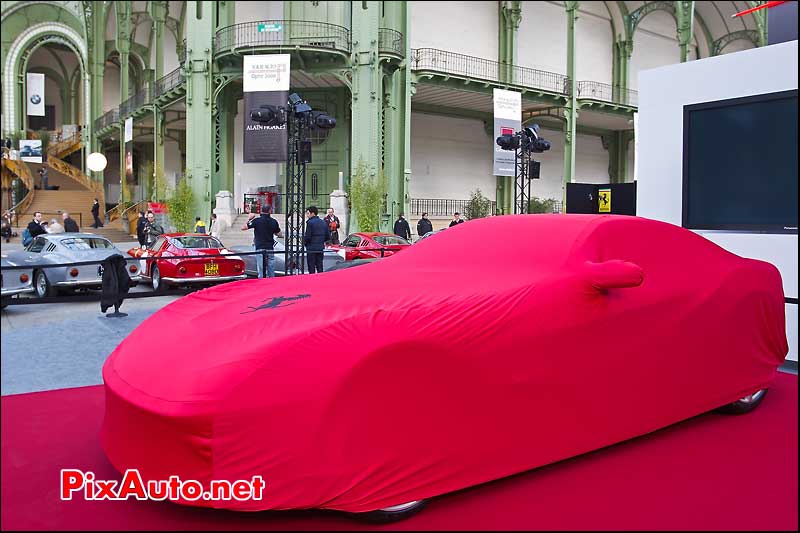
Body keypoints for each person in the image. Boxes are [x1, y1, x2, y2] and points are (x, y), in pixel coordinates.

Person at [241, 204, 282, 278]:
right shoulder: (274, 221)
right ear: (269, 211)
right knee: (271, 267)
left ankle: (261, 281)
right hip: (270, 247)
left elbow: (243, 228)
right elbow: (279, 234)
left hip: (259, 246)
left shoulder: (257, 221)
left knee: (260, 267)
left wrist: (249, 219)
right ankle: (271, 281)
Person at [303, 206, 328, 274]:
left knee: (311, 266)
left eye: (308, 213)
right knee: (319, 266)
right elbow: (327, 236)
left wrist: (305, 243)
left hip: (311, 247)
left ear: (312, 213)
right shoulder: (323, 222)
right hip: (320, 247)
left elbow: (308, 236)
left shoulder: (310, 223)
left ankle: (312, 281)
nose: (307, 215)